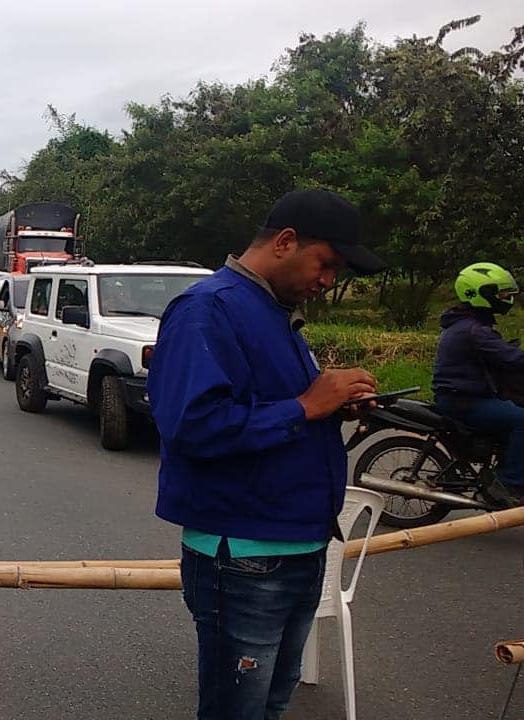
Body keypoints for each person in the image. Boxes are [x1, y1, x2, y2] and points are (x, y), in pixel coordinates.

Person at [148, 188, 385, 720]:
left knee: (273, 702)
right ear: (285, 242)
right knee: (239, 709)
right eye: (325, 264)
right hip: (244, 554)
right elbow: (193, 425)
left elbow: (273, 408)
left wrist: (332, 407)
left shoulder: (271, 309)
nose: (327, 282)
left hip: (299, 545)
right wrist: (306, 404)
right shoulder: (207, 309)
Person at [433, 262, 524, 507]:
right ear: (480, 294)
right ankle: (509, 484)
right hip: (463, 401)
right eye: (502, 294)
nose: (507, 298)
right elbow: (511, 358)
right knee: (522, 420)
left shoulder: (470, 325)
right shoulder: (474, 330)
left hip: (465, 396)